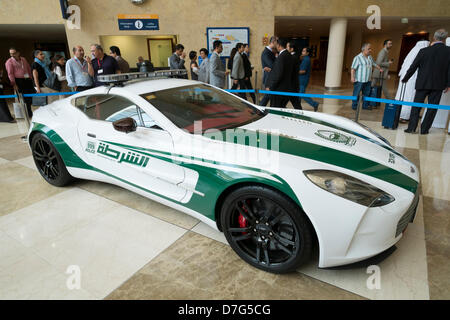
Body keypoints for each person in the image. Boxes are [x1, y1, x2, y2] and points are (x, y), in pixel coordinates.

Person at [403, 29, 450, 134]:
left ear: (434, 37)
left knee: (416, 106)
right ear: (445, 39)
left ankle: (411, 128)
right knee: (432, 108)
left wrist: (405, 78)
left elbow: (413, 66)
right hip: (438, 85)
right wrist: (448, 84)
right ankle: (424, 130)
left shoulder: (424, 51)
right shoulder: (448, 51)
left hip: (422, 83)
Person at [396, 40, 430, 122]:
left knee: (403, 95)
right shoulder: (420, 52)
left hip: (406, 78)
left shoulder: (412, 52)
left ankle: (400, 114)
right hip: (412, 79)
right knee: (410, 96)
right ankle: (405, 115)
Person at [350, 43, 383, 110]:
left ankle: (365, 106)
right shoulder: (357, 58)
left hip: (368, 80)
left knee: (367, 93)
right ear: (363, 49)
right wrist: (352, 77)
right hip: (359, 80)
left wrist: (379, 68)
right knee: (356, 93)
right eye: (369, 49)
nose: (370, 50)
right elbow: (353, 68)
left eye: (370, 48)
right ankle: (354, 106)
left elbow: (373, 63)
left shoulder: (370, 57)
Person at [5, 47, 35, 117]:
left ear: (18, 53)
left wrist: (31, 78)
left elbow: (28, 68)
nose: (12, 55)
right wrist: (14, 84)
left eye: (14, 53)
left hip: (27, 80)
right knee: (23, 98)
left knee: (30, 97)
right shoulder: (9, 62)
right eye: (10, 54)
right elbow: (10, 73)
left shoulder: (23, 59)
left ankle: (29, 111)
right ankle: (27, 114)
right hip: (18, 81)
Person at [266, 38, 294, 108]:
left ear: (279, 45)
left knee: (275, 110)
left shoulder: (281, 57)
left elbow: (278, 74)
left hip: (278, 89)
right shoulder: (289, 55)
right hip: (286, 88)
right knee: (281, 108)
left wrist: (271, 86)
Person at [298, 46, 319, 111]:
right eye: (302, 51)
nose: (302, 52)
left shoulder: (306, 60)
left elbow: (303, 71)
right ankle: (298, 108)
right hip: (302, 79)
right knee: (299, 94)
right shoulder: (305, 59)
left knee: (301, 94)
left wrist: (294, 72)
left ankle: (314, 104)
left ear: (307, 53)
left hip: (303, 80)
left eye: (304, 51)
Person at [260, 36, 277, 106]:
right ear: (273, 42)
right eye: (277, 42)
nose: (278, 44)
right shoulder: (266, 52)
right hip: (268, 79)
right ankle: (259, 109)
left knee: (269, 97)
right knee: (268, 96)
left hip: (271, 77)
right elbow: (271, 65)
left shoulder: (271, 52)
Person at [286, 41, 302, 110]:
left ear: (291, 49)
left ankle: (301, 114)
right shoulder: (295, 56)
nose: (286, 49)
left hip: (292, 84)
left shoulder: (292, 58)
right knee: (295, 102)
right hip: (292, 84)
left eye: (287, 47)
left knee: (295, 102)